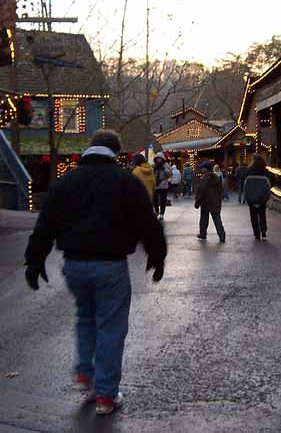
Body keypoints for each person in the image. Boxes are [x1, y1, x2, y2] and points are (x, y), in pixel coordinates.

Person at [24, 129, 167, 416]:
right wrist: (157, 256)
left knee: (85, 317)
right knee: (111, 328)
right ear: (116, 152)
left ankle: (86, 376)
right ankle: (105, 395)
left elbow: (45, 225)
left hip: (74, 264)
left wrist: (34, 261)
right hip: (110, 265)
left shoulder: (65, 183)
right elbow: (147, 223)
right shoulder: (126, 182)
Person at [195, 161, 226, 243]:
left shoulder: (204, 178)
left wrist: (197, 202)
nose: (201, 169)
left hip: (206, 201)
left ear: (205, 169)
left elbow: (201, 191)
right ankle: (222, 236)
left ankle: (203, 233)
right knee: (217, 219)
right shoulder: (216, 177)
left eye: (202, 167)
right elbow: (220, 189)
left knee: (204, 219)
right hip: (215, 201)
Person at [243, 154, 271, 240]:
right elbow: (273, 180)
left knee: (253, 215)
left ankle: (256, 233)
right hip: (262, 196)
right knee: (262, 214)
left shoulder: (249, 170)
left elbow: (244, 180)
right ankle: (263, 229)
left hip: (251, 196)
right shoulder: (265, 171)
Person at [153, 152, 172, 220]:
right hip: (155, 184)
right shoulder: (154, 165)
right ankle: (157, 211)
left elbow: (170, 174)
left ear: (162, 158)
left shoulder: (166, 165)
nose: (158, 160)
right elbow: (151, 174)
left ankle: (162, 213)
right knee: (154, 199)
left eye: (160, 158)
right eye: (157, 158)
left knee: (163, 200)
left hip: (163, 184)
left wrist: (164, 169)